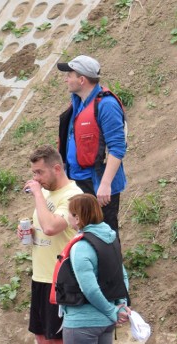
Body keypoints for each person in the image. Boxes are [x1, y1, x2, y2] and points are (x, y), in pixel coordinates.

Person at [19, 145, 82, 344]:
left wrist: (37, 194)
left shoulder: (74, 196)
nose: (36, 178)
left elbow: (52, 226)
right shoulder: (45, 193)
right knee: (43, 339)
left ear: (56, 168)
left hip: (61, 279)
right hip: (40, 275)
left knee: (61, 342)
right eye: (34, 173)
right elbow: (43, 227)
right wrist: (29, 233)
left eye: (39, 173)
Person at [57, 194, 130, 344]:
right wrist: (120, 306)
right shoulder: (111, 239)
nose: (68, 217)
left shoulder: (81, 246)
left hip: (82, 324)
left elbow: (89, 288)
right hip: (105, 324)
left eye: (69, 214)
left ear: (78, 218)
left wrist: (111, 311)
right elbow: (122, 276)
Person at [57, 55, 126, 234]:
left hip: (97, 184)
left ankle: (112, 263)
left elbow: (117, 147)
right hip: (79, 181)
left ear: (81, 80)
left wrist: (105, 184)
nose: (66, 79)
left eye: (69, 75)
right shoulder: (78, 101)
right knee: (85, 232)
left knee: (105, 234)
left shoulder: (106, 105)